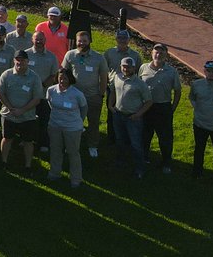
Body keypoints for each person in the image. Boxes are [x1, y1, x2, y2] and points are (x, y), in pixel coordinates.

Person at [62, 31, 109, 159]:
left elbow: (104, 77)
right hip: (74, 96)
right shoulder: (70, 55)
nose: (81, 43)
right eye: (79, 41)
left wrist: (101, 94)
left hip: (93, 96)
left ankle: (92, 146)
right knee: (73, 122)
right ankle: (71, 144)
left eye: (84, 40)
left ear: (89, 41)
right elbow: (64, 73)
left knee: (93, 123)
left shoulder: (99, 58)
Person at [0, 50, 44, 175]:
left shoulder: (34, 77)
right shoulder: (6, 75)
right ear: (14, 61)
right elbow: (0, 93)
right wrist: (11, 108)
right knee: (7, 138)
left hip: (27, 116)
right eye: (17, 59)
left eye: (23, 60)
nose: (20, 62)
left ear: (28, 61)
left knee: (28, 141)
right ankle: (4, 162)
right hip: (9, 115)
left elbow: (37, 98)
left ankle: (28, 165)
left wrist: (22, 110)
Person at [139, 43, 181, 174]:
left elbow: (178, 91)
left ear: (166, 55)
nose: (158, 55)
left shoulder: (171, 71)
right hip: (146, 107)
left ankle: (166, 162)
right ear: (151, 53)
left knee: (165, 137)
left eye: (161, 53)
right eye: (156, 52)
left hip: (163, 107)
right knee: (145, 135)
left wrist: (172, 108)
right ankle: (144, 157)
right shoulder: (143, 68)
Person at [111, 57, 152, 179]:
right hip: (118, 115)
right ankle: (120, 162)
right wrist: (110, 105)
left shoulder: (140, 84)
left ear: (134, 68)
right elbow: (113, 91)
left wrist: (138, 114)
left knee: (136, 144)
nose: (126, 69)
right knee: (120, 141)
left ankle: (139, 169)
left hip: (133, 118)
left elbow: (149, 101)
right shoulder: (117, 77)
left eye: (129, 67)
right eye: (124, 66)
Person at [47, 68, 88, 187]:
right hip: (54, 125)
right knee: (55, 150)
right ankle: (54, 173)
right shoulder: (51, 90)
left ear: (70, 79)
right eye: (60, 78)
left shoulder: (77, 94)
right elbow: (50, 104)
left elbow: (84, 109)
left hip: (72, 128)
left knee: (73, 153)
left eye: (65, 78)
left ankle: (76, 178)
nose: (62, 81)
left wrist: (78, 121)